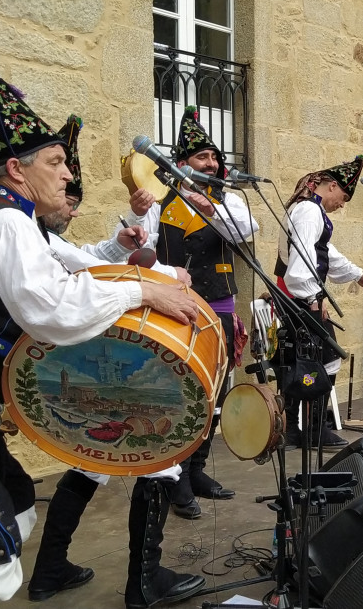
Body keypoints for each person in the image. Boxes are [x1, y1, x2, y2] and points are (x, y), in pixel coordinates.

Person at [0, 63, 199, 609]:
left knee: (18, 495)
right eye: (55, 163)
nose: (68, 175)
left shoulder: (10, 218)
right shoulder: (2, 221)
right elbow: (51, 309)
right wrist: (144, 294)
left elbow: (82, 263)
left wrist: (163, 278)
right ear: (16, 168)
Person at [26, 115, 204, 607]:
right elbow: (81, 269)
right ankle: (144, 583)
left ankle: (48, 570)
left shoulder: (39, 234)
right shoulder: (21, 231)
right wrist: (164, 274)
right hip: (83, 362)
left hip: (87, 360)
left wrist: (121, 247)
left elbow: (82, 256)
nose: (71, 209)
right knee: (160, 456)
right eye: (68, 200)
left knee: (92, 461)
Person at [124, 106, 258, 519]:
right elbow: (137, 244)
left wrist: (212, 208)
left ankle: (197, 469)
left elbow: (248, 228)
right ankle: (177, 476)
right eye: (203, 159)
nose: (212, 164)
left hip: (219, 303)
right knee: (183, 391)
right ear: (181, 164)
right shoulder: (160, 199)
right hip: (177, 308)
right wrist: (136, 208)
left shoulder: (224, 199)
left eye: (215, 158)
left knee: (215, 393)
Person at [275, 155, 363, 448]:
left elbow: (323, 251)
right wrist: (312, 299)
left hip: (297, 297)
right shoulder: (308, 211)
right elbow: (301, 263)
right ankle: (314, 430)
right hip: (300, 298)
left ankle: (295, 428)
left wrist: (356, 273)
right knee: (327, 359)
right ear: (331, 186)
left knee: (303, 360)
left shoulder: (309, 209)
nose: (342, 205)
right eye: (343, 197)